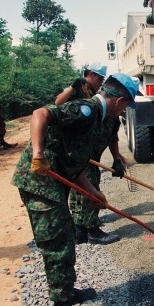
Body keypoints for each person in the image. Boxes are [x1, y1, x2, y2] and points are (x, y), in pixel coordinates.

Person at [11, 74, 138, 305]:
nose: (122, 112)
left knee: (65, 235)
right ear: (120, 102)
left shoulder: (97, 119)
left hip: (55, 178)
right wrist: (38, 154)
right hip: (40, 180)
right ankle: (63, 297)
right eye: (126, 106)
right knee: (57, 239)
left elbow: (74, 162)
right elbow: (40, 113)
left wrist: (92, 193)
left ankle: (64, 291)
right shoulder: (87, 110)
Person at [56, 64, 125, 245]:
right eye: (99, 78)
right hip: (81, 156)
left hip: (91, 156)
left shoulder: (110, 113)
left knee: (85, 191)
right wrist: (73, 87)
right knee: (87, 191)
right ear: (91, 75)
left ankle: (80, 230)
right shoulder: (86, 102)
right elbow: (54, 106)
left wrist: (117, 160)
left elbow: (113, 138)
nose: (100, 81)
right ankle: (90, 230)